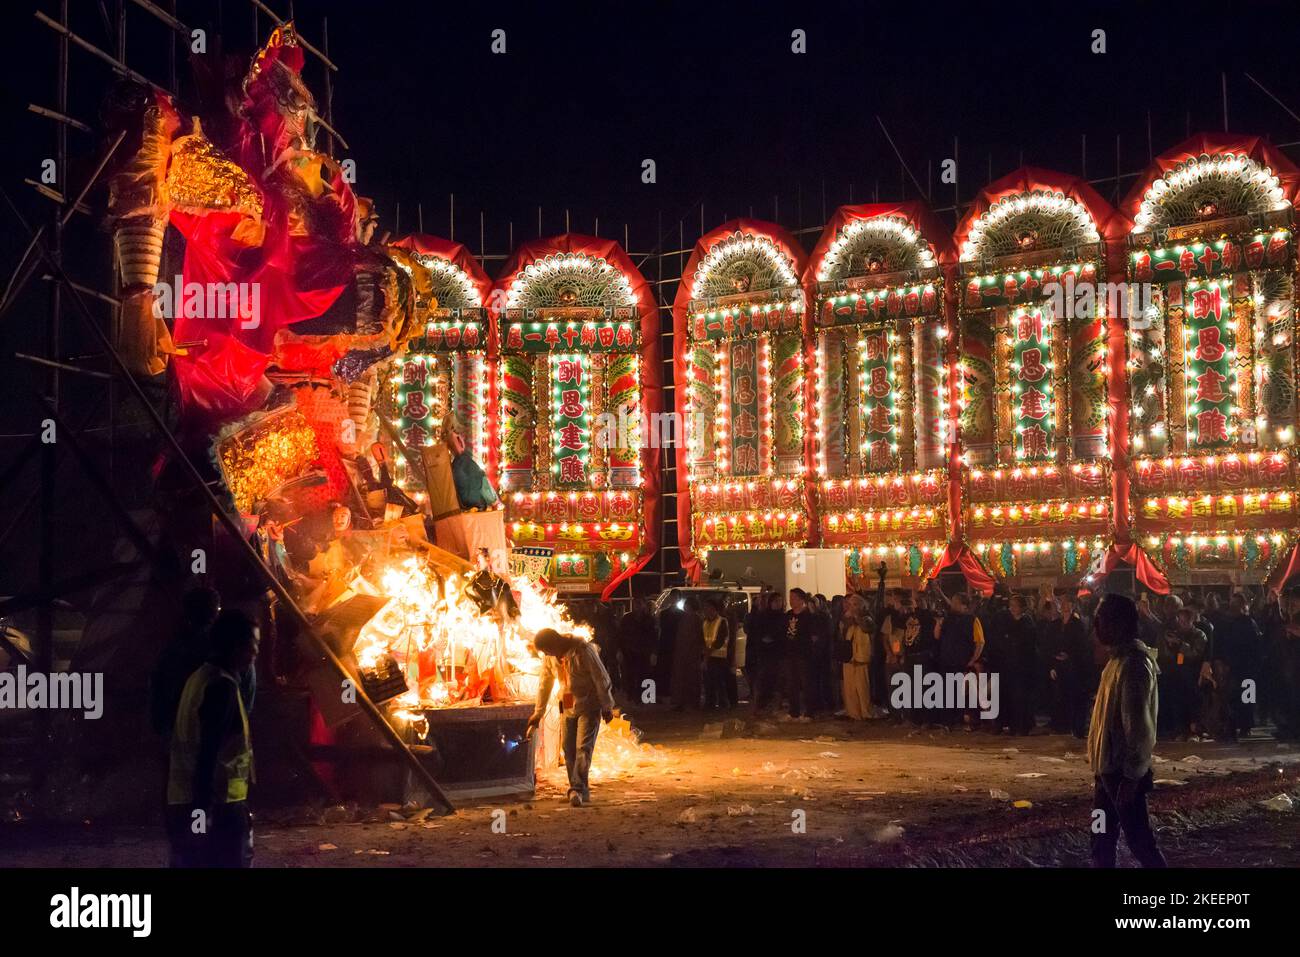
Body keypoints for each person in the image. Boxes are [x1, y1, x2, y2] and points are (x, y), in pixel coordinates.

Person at [166, 610, 260, 868]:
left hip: (185, 801)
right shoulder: (223, 688)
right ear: (235, 646)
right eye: (253, 644)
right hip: (219, 805)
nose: (256, 652)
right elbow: (208, 753)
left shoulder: (200, 678)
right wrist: (202, 812)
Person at [1087, 593, 1167, 868]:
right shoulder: (1116, 661)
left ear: (1119, 623)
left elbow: (1139, 728)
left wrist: (1132, 778)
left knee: (1139, 841)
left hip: (1122, 775)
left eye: (1101, 620)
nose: (1096, 627)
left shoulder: (1133, 665)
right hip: (1106, 771)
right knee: (1101, 839)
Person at [526, 628, 616, 807]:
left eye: (547, 650)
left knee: (583, 748)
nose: (546, 654)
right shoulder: (551, 657)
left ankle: (577, 789)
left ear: (555, 643)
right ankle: (581, 790)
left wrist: (607, 705)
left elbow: (601, 678)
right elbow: (545, 684)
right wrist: (538, 713)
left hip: (589, 705)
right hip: (567, 706)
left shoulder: (583, 650)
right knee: (569, 750)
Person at [151, 586, 222, 738]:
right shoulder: (228, 648)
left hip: (182, 727)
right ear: (215, 613)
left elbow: (160, 691)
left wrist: (163, 730)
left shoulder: (173, 650)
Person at [936, 592, 984, 729]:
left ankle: (967, 721)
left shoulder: (972, 620)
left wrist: (973, 659)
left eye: (956, 602)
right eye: (953, 602)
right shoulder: (948, 619)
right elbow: (937, 636)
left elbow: (980, 642)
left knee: (965, 694)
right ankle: (949, 721)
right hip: (947, 662)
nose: (953, 605)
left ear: (964, 605)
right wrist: (939, 624)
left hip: (963, 663)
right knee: (948, 693)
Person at [747, 592, 786, 714]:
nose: (778, 604)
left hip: (778, 652)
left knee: (778, 681)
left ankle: (776, 705)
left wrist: (775, 638)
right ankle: (758, 705)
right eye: (775, 601)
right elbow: (755, 630)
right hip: (765, 653)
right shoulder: (763, 616)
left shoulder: (783, 617)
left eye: (780, 601)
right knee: (762, 680)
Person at [785, 589, 819, 721]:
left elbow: (814, 636)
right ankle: (794, 712)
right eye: (790, 597)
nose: (791, 600)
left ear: (800, 599)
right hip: (790, 654)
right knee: (791, 684)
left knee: (806, 684)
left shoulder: (809, 616)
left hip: (804, 655)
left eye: (793, 597)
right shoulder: (788, 615)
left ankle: (809, 712)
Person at [839, 594, 874, 720]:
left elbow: (868, 628)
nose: (851, 607)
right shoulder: (846, 619)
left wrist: (856, 617)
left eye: (854, 604)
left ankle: (866, 712)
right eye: (850, 604)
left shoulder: (867, 617)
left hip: (861, 656)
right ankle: (853, 713)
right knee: (850, 688)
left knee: (862, 687)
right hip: (849, 656)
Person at [617, 598, 657, 702]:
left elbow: (653, 637)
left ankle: (642, 697)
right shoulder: (627, 618)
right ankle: (630, 694)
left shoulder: (649, 619)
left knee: (643, 674)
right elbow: (620, 635)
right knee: (629, 674)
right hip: (629, 651)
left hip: (644, 651)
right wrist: (620, 650)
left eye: (640, 604)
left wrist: (653, 652)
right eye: (636, 604)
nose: (638, 606)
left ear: (643, 605)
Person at [670, 597, 704, 710]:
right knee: (683, 678)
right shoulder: (687, 618)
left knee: (690, 678)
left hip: (690, 653)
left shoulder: (694, 619)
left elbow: (696, 637)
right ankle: (683, 701)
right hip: (684, 652)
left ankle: (690, 702)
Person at [701, 600, 733, 710]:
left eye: (708, 608)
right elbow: (703, 639)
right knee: (708, 682)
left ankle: (723, 704)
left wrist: (708, 651)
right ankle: (710, 703)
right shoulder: (705, 622)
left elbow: (720, 641)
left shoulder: (722, 621)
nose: (706, 611)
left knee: (719, 682)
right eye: (705, 608)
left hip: (719, 657)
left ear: (714, 609)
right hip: (708, 657)